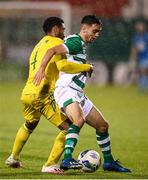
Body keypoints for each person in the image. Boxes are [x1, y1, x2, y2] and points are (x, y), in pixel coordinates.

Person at [33, 15, 131, 173]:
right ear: (84, 28)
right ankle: (67, 159)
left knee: (102, 125)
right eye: (95, 31)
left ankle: (109, 162)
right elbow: (52, 50)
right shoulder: (75, 41)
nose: (97, 34)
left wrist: (85, 67)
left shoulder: (81, 44)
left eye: (99, 32)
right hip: (66, 89)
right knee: (78, 120)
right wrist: (41, 69)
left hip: (77, 92)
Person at [5, 17, 93, 174]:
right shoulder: (55, 44)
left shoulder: (38, 45)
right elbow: (63, 65)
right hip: (42, 94)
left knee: (30, 124)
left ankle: (13, 157)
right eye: (63, 29)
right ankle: (50, 165)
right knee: (69, 127)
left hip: (27, 92)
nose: (64, 33)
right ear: (56, 29)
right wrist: (86, 66)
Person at [130, 21, 148, 90]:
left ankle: (143, 88)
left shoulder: (146, 36)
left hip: (146, 57)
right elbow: (134, 49)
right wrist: (132, 59)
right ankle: (143, 87)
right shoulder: (136, 37)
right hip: (141, 58)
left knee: (144, 71)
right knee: (142, 72)